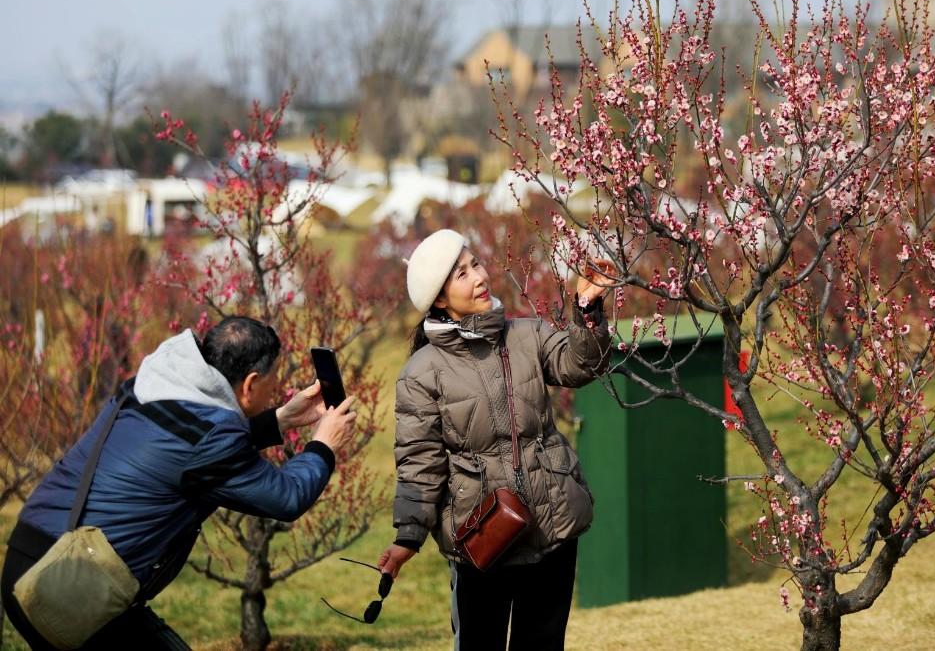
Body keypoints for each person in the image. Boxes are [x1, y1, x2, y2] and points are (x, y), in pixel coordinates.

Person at [2, 316, 356, 649]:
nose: (276, 387)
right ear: (249, 383)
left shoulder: (153, 387)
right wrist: (324, 444)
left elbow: (190, 450)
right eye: (272, 380)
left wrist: (279, 419)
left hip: (34, 554)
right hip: (66, 583)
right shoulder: (210, 440)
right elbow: (287, 498)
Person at [377, 229, 613, 650]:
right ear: (440, 299)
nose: (478, 277)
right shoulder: (421, 372)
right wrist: (407, 538)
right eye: (461, 274)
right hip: (483, 536)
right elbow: (419, 462)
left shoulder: (527, 335)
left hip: (551, 522)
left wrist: (588, 308)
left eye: (475, 265)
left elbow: (582, 365)